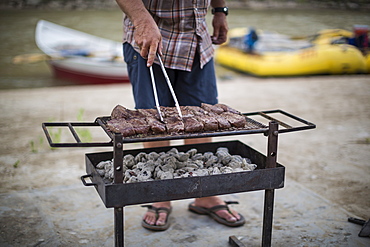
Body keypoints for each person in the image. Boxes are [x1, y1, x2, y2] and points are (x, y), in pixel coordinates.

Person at [115, 0, 245, 231]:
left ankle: (205, 194)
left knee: (203, 119)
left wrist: (219, 10)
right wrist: (141, 19)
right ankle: (162, 194)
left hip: (197, 41)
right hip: (151, 37)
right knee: (154, 120)